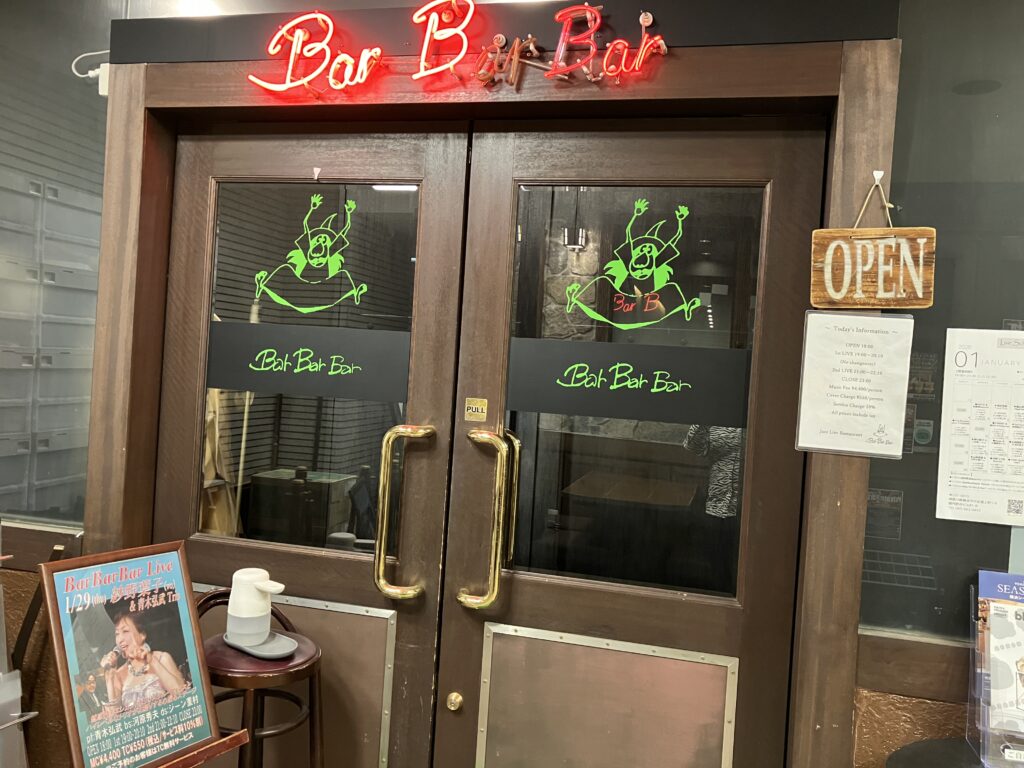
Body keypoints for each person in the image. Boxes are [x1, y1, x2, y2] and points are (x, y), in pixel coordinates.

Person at [100, 611, 187, 713]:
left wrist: (151, 660)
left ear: (142, 635)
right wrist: (110, 678)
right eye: (117, 634)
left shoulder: (161, 658)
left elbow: (182, 694)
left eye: (125, 631)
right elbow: (115, 715)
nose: (120, 640)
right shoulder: (119, 674)